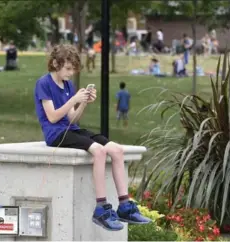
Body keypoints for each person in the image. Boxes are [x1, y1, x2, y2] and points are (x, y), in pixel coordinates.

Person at [34, 44, 151, 231]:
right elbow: (53, 117)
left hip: (71, 130)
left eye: (73, 69)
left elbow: (72, 118)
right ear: (56, 64)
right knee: (99, 151)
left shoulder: (68, 85)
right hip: (55, 135)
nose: (71, 73)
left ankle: (125, 206)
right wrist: (73, 100)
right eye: (68, 69)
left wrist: (83, 102)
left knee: (117, 150)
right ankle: (102, 209)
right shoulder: (44, 83)